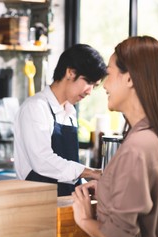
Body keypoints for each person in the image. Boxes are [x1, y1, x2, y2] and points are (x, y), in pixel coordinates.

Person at [72, 36, 158, 237]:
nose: (104, 85)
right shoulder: (154, 135)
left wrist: (84, 219)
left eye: (109, 74)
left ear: (129, 78)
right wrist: (106, 186)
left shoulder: (138, 146)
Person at [13, 44, 107, 196]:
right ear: (70, 72)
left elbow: (65, 170)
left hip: (66, 202)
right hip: (37, 202)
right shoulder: (35, 108)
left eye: (94, 86)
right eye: (88, 82)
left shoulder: (70, 112)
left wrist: (84, 185)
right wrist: (91, 172)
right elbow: (42, 161)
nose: (90, 91)